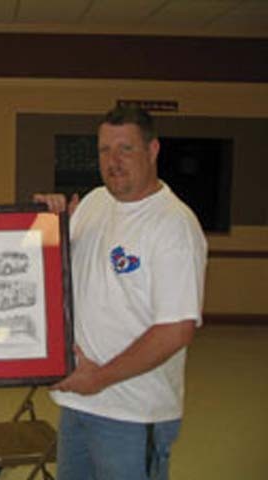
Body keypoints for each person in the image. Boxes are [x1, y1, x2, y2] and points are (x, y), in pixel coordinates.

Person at [34, 105, 207, 480]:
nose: (113, 161)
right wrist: (44, 223)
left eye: (125, 149)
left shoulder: (173, 225)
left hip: (131, 413)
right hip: (76, 402)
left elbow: (176, 330)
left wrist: (98, 378)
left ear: (153, 150)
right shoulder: (94, 202)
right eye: (104, 150)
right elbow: (54, 273)